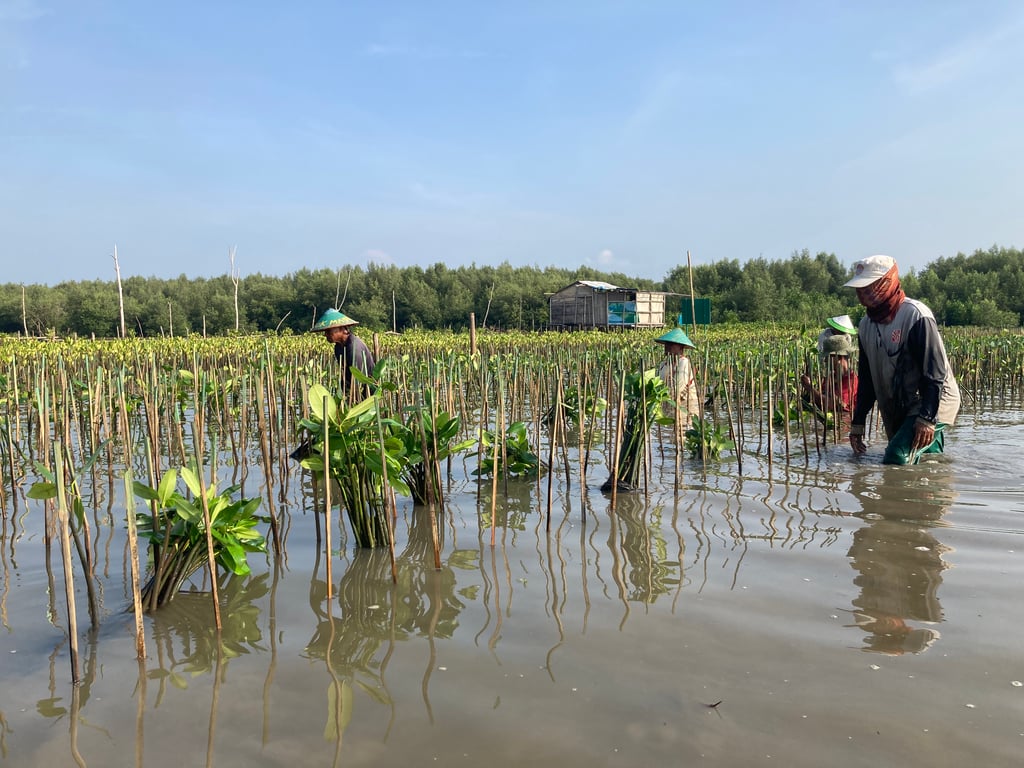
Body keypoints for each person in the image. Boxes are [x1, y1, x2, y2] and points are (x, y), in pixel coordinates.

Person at [843, 255, 961, 464]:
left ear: (886, 283)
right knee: (927, 461)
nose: (864, 294)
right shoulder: (865, 326)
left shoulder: (916, 316)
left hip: (932, 399)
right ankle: (935, 488)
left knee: (896, 457)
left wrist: (927, 418)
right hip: (900, 402)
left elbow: (934, 373)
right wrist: (858, 422)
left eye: (870, 286)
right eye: (861, 289)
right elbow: (867, 379)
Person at [801, 315, 858, 422]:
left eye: (828, 357)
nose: (826, 361)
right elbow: (821, 400)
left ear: (839, 357)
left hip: (842, 426)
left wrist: (810, 388)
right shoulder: (830, 377)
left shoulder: (851, 379)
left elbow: (833, 405)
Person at [312, 308, 376, 396]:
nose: (325, 334)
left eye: (328, 331)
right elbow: (345, 374)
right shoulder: (338, 347)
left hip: (367, 392)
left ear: (344, 330)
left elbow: (359, 379)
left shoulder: (354, 347)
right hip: (350, 391)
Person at [654, 328, 701, 426]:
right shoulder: (663, 364)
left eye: (671, 344)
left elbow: (678, 390)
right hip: (668, 403)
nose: (667, 346)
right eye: (666, 343)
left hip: (685, 405)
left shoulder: (684, 362)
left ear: (680, 347)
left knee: (680, 430)